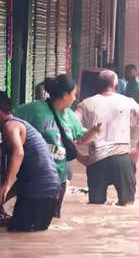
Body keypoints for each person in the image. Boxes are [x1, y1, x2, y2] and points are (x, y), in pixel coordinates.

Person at [0, 91, 60, 231]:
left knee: (17, 235)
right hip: (51, 191)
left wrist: (6, 184)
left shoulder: (9, 127)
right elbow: (28, 177)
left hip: (37, 191)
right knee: (27, 234)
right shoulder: (16, 124)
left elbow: (18, 152)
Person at [13, 74, 101, 217]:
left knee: (52, 219)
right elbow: (8, 119)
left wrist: (94, 131)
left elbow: (81, 140)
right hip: (35, 175)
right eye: (73, 95)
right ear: (65, 95)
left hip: (58, 178)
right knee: (29, 216)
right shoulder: (35, 109)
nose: (74, 98)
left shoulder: (70, 116)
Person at [75, 70, 139, 205]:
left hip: (97, 161)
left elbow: (68, 127)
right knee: (127, 206)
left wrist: (78, 156)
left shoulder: (85, 104)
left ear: (97, 86)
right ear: (116, 86)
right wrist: (138, 149)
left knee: (96, 206)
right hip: (123, 159)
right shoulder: (128, 102)